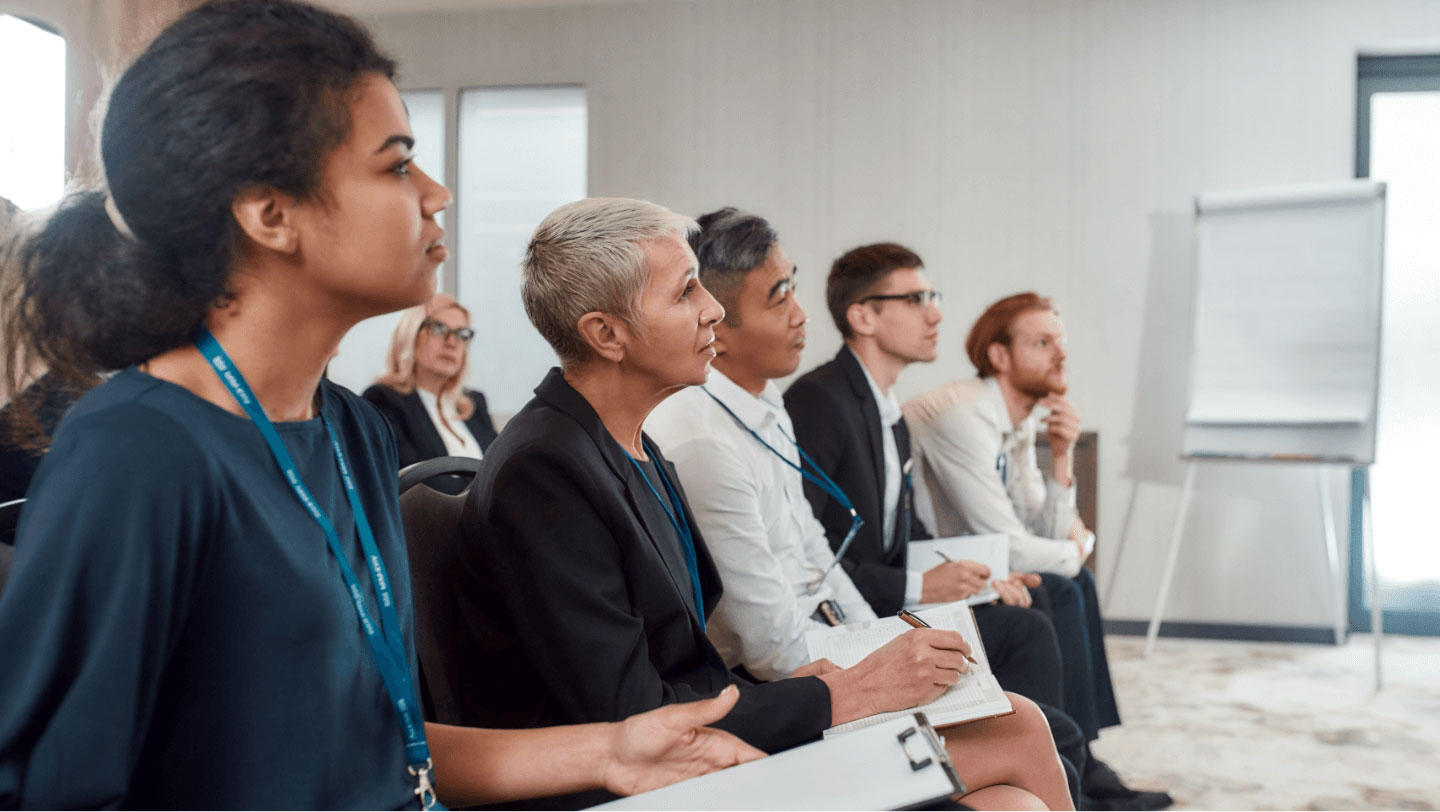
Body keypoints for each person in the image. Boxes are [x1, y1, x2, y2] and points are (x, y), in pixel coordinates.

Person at [0, 2, 762, 807]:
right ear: (270, 212)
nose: (437, 194)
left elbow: (378, 743)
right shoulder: (138, 452)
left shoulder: (351, 431)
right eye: (397, 164)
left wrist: (610, 751)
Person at [455, 197, 1072, 811]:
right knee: (1017, 749)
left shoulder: (628, 443)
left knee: (1015, 761)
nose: (713, 311)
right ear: (607, 334)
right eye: (685, 293)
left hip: (701, 739)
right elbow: (631, 718)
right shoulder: (547, 470)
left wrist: (812, 686)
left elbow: (682, 668)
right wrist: (847, 693)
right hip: (639, 785)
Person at [786, 255, 1169, 811]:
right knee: (1034, 616)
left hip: (898, 584)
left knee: (1045, 597)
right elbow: (816, 552)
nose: (935, 313)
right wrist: (930, 585)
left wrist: (974, 577)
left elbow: (911, 531)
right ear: (864, 316)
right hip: (860, 606)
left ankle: (1071, 762)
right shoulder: (823, 400)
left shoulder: (886, 410)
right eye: (915, 299)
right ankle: (1062, 769)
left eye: (932, 296)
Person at [364, 292, 498, 469]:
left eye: (462, 334)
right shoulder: (383, 400)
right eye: (439, 329)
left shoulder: (474, 404)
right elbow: (412, 484)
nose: (452, 342)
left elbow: (501, 473)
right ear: (409, 334)